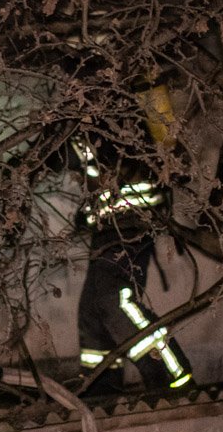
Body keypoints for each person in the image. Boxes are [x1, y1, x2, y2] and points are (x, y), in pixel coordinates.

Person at [73, 82, 193, 395]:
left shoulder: (114, 99)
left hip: (131, 223)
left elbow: (151, 166)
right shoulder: (78, 116)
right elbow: (94, 177)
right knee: (92, 310)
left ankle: (170, 375)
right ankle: (102, 386)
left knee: (115, 301)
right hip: (108, 228)